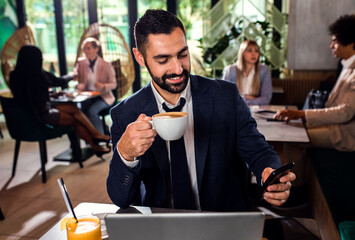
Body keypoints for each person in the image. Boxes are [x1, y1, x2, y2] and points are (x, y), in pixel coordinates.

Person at [107, 9, 295, 212]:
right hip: (159, 225)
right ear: (140, 57)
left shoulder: (225, 96)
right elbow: (121, 199)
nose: (178, 69)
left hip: (222, 220)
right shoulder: (124, 114)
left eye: (183, 54)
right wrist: (125, 154)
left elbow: (259, 152)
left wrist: (270, 172)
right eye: (163, 60)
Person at [9, 45, 111, 156]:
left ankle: (96, 136)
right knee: (75, 120)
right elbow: (59, 81)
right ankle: (96, 144)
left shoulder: (14, 76)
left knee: (73, 108)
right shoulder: (38, 75)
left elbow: (30, 96)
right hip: (42, 116)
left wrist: (51, 95)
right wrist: (72, 75)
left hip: (28, 117)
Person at [274, 14, 355, 152]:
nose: (331, 46)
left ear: (351, 42)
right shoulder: (345, 65)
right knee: (290, 128)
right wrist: (301, 116)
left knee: (293, 138)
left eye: (335, 41)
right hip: (334, 124)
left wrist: (302, 114)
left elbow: (345, 113)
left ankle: (293, 174)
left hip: (345, 132)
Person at [73, 37, 117, 134]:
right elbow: (75, 72)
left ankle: (100, 137)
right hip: (88, 96)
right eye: (84, 48)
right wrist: (75, 75)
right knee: (78, 111)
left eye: (88, 48)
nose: (85, 51)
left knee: (92, 112)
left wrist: (103, 86)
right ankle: (89, 137)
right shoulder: (81, 62)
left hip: (103, 96)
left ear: (96, 49)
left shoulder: (106, 64)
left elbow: (114, 84)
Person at [222, 39, 272, 105]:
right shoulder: (230, 70)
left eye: (256, 51)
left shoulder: (264, 70)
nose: (254, 54)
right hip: (234, 109)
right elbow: (224, 96)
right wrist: (249, 97)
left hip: (256, 110)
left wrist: (242, 99)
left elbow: (266, 99)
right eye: (249, 50)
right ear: (243, 53)